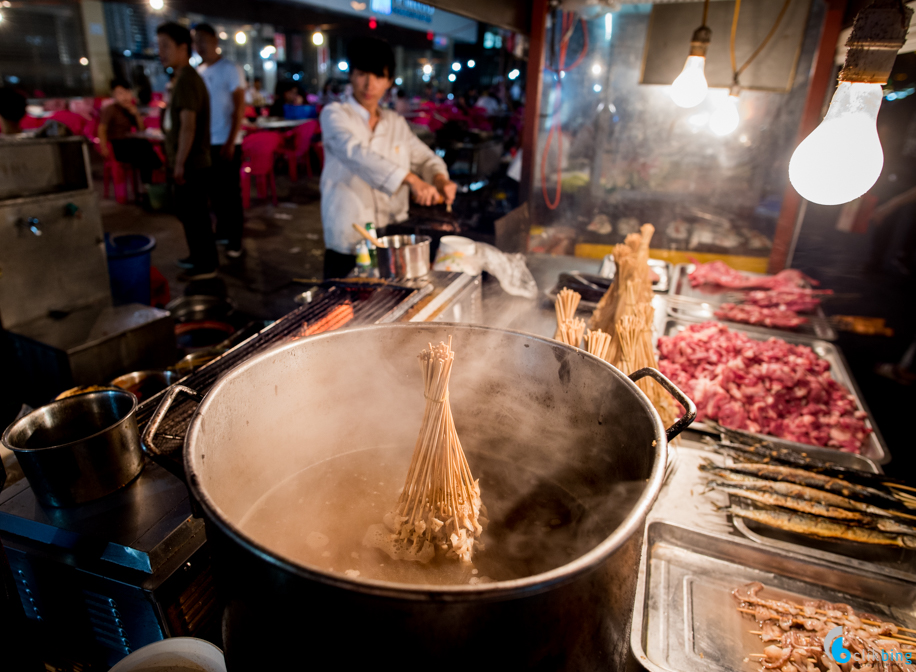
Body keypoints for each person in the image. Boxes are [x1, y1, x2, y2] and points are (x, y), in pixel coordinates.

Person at [319, 37, 457, 279]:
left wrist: (439, 179)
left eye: (378, 76)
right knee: (342, 304)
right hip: (349, 229)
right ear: (351, 75)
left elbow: (425, 157)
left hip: (392, 229)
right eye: (362, 73)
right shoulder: (335, 115)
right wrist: (412, 180)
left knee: (390, 301)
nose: (369, 84)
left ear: (389, 82)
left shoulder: (395, 122)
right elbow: (358, 155)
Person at [157, 21, 217, 281]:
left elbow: (188, 126)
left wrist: (179, 163)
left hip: (192, 162)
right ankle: (197, 257)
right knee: (189, 213)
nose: (161, 52)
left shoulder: (188, 80)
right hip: (187, 160)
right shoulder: (180, 79)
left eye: (165, 46)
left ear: (183, 48)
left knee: (196, 215)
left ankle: (206, 264)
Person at [194, 23, 245, 259]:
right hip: (206, 143)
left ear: (215, 41)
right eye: (196, 41)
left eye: (203, 40)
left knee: (230, 194)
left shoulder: (230, 68)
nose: (200, 45)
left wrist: (230, 141)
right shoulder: (198, 71)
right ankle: (223, 232)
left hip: (227, 141)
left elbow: (239, 107)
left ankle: (236, 241)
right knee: (214, 193)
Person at [98, 78, 162, 199]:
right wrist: (103, 147)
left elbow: (141, 129)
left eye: (126, 93)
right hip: (118, 146)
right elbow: (101, 129)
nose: (123, 97)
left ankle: (146, 189)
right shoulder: (110, 109)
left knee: (144, 151)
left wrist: (135, 114)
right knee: (144, 151)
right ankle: (151, 179)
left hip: (131, 144)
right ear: (114, 95)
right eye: (119, 93)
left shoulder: (130, 109)